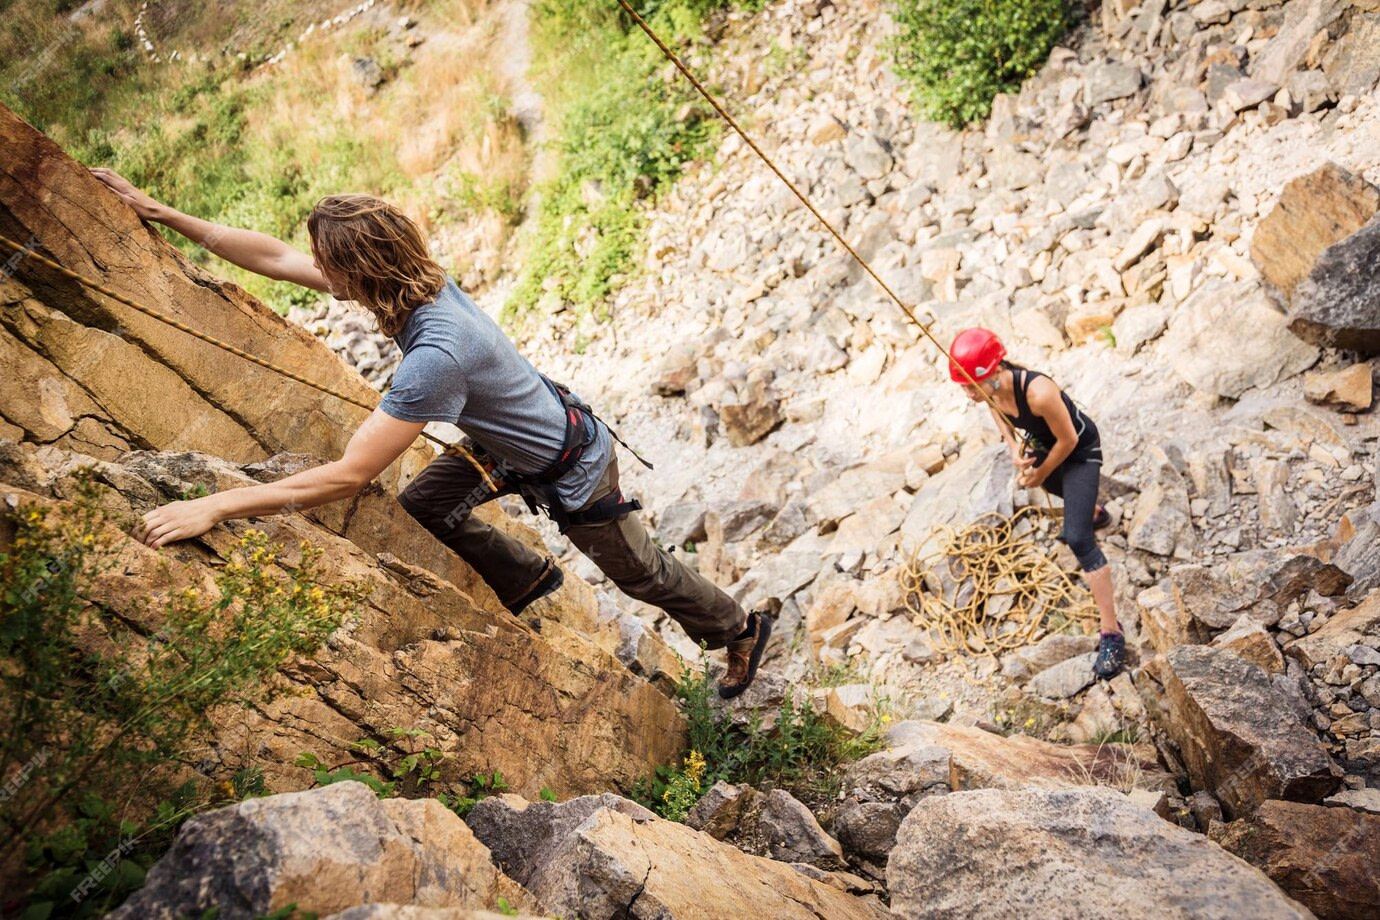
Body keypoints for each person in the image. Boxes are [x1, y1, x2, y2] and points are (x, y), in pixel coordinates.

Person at [92, 168, 772, 699]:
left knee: (642, 575)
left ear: (356, 274)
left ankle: (738, 628)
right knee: (423, 509)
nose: (315, 270)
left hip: (570, 463)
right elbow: (271, 258)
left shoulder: (435, 358)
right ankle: (527, 578)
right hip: (512, 442)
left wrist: (217, 503)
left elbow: (350, 475)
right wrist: (160, 212)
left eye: (325, 264)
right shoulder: (415, 280)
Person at [948, 327, 1124, 679]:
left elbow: (1070, 439)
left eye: (971, 385)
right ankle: (1092, 511)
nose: (968, 394)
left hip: (1079, 452)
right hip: (1048, 449)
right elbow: (999, 414)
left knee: (1077, 537)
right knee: (1065, 495)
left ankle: (1111, 631)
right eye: (963, 386)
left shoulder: (1040, 393)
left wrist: (1041, 472)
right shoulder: (993, 392)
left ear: (995, 372)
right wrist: (1015, 451)